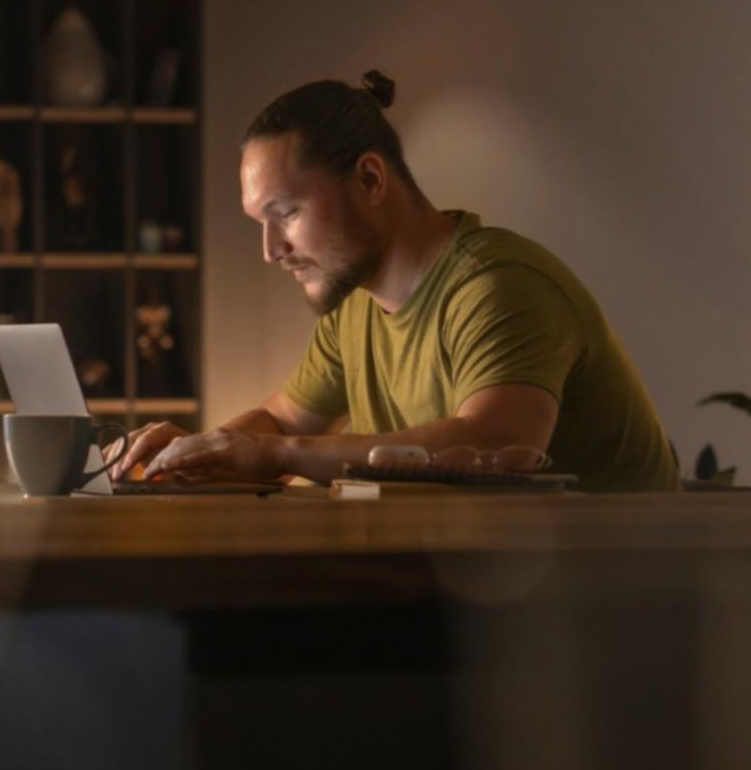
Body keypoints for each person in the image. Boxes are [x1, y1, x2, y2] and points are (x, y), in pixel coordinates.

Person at [110, 70, 679, 493]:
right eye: (261, 223)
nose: (271, 250)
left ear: (369, 178)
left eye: (285, 214)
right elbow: (280, 421)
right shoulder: (354, 310)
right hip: (494, 596)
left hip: (619, 602)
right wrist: (186, 458)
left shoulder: (498, 286)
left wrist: (273, 452)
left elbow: (496, 446)